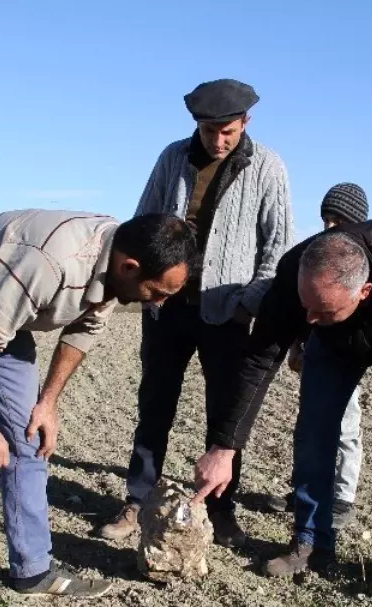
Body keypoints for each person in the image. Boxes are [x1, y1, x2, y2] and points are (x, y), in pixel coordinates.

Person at [0, 210, 196, 607]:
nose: (159, 303)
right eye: (157, 292)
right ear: (130, 267)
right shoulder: (49, 262)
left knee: (31, 438)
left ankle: (32, 569)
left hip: (3, 313)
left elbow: (84, 330)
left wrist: (47, 402)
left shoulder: (118, 262)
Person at [193, 221, 372, 598]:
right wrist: (224, 446)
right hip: (335, 346)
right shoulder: (293, 274)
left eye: (322, 309)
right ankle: (312, 541)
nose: (308, 320)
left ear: (364, 291)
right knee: (313, 433)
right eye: (305, 307)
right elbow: (258, 362)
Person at [97, 78, 294, 547]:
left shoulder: (267, 167)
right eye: (209, 130)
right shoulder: (173, 158)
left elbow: (278, 246)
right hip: (167, 309)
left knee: (224, 416)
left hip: (229, 314)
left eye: (227, 130)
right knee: (154, 407)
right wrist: (149, 291)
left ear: (245, 122)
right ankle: (139, 501)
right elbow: (142, 223)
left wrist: (248, 303)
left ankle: (222, 510)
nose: (218, 140)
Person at [267, 183, 371, 529]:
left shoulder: (363, 264)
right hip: (315, 353)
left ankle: (342, 497)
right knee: (309, 425)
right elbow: (302, 308)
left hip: (349, 357)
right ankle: (305, 489)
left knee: (346, 425)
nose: (329, 227)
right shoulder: (313, 256)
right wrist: (299, 345)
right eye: (326, 219)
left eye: (338, 220)